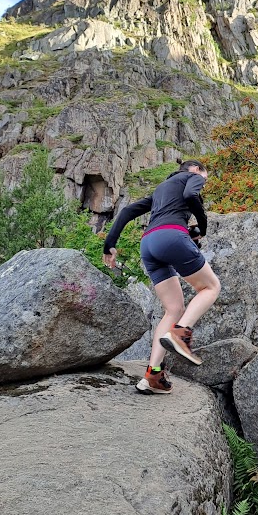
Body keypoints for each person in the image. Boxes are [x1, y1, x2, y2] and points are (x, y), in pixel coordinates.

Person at [102, 158, 221, 395]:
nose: (202, 184)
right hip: (171, 236)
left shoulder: (160, 190)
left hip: (149, 244)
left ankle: (153, 376)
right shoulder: (193, 177)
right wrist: (203, 227)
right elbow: (190, 196)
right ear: (196, 170)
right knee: (211, 288)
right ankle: (181, 334)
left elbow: (127, 211)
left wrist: (109, 244)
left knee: (173, 308)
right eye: (203, 178)